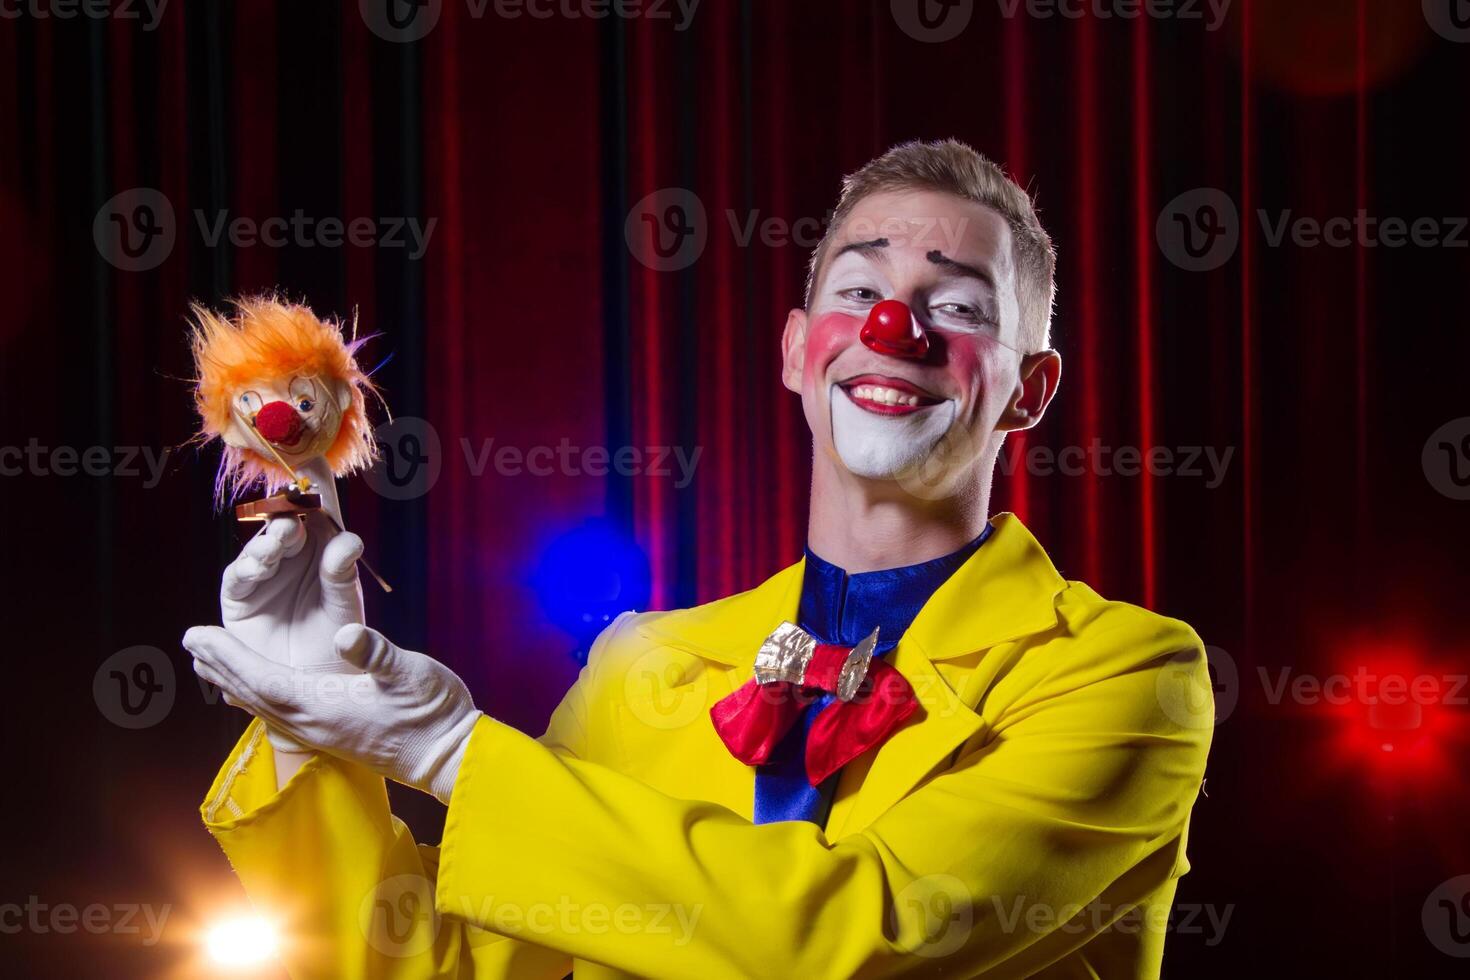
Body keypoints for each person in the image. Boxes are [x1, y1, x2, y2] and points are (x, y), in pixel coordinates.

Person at [185, 139, 1214, 979]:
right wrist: (305, 724)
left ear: (1030, 391)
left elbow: (847, 942)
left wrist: (459, 753)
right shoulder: (640, 666)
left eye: (957, 308)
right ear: (795, 351)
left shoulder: (1126, 676)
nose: (894, 330)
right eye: (860, 291)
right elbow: (426, 964)